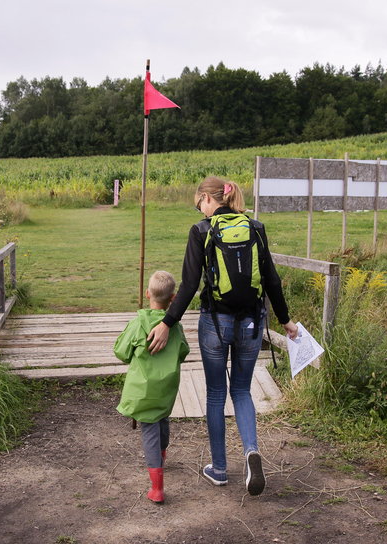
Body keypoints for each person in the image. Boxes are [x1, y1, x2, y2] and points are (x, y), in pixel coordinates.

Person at [146, 176, 298, 496]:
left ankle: (218, 468)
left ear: (208, 199)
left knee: (216, 393)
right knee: (241, 391)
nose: (199, 208)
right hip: (252, 325)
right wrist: (285, 321)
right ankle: (251, 451)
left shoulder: (201, 231)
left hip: (215, 323)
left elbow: (188, 285)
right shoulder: (255, 227)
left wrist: (167, 322)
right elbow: (271, 278)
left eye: (199, 202)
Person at [114, 270, 190, 504]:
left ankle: (157, 488)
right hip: (166, 388)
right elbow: (183, 351)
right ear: (173, 298)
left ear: (147, 294)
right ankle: (162, 455)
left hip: (143, 391)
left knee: (150, 431)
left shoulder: (138, 324)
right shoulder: (174, 327)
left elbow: (121, 352)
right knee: (163, 419)